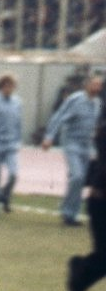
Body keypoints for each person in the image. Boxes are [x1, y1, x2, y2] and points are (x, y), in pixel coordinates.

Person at [42, 75, 103, 226]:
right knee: (77, 176)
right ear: (87, 85)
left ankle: (71, 215)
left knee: (80, 180)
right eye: (94, 84)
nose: (97, 88)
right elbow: (59, 117)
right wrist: (49, 136)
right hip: (72, 143)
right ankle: (67, 210)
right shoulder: (76, 100)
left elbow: (94, 126)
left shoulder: (97, 103)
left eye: (99, 85)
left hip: (86, 146)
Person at [67, 92, 106, 291]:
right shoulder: (103, 130)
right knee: (104, 258)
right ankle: (78, 280)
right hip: (101, 201)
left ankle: (78, 273)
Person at [0, 73, 23, 216]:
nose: (9, 88)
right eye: (6, 85)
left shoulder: (17, 102)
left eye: (11, 86)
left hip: (11, 144)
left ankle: (4, 194)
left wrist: (18, 140)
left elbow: (18, 123)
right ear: (1, 86)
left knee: (14, 174)